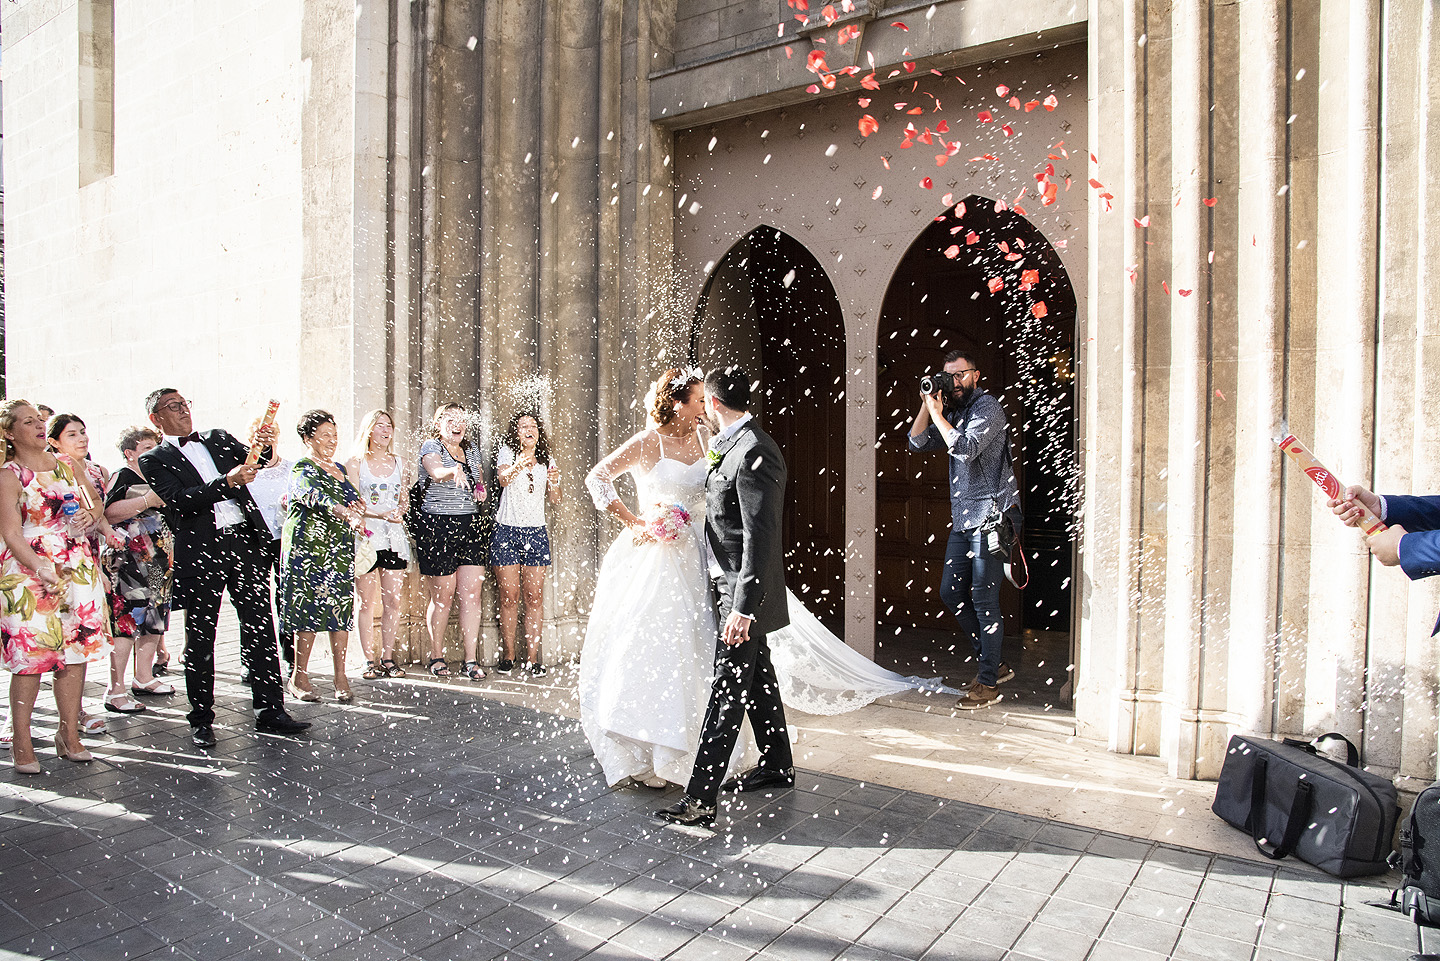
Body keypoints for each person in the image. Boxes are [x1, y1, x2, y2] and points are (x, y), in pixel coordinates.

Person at [658, 366, 795, 828]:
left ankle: (699, 801)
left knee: (726, 690)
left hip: (743, 593)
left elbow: (761, 536)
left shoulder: (755, 449)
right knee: (758, 678)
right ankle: (778, 764)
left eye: (704, 404)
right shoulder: (733, 443)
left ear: (714, 404)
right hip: (729, 584)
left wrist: (742, 608)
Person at [138, 388, 310, 747]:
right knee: (202, 636)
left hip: (245, 542)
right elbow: (181, 501)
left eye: (186, 402)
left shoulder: (216, 437)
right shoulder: (155, 459)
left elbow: (255, 463)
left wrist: (261, 445)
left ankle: (270, 710)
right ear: (156, 418)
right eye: (174, 406)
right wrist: (226, 482)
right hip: (203, 550)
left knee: (261, 626)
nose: (184, 409)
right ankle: (201, 718)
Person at [0, 400, 116, 772]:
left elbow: (96, 502)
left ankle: (69, 734)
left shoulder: (67, 465)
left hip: (75, 564)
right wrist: (40, 567)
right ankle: (22, 742)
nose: (38, 425)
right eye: (28, 421)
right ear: (8, 433)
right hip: (28, 571)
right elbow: (10, 533)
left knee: (75, 653)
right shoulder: (9, 474)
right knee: (31, 659)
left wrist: (90, 514)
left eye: (39, 420)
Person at [907, 349, 1021, 711]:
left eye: (960, 376)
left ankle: (988, 683)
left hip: (993, 516)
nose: (954, 383)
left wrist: (941, 416)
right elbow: (917, 441)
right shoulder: (952, 412)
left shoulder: (988, 408)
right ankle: (994, 664)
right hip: (965, 520)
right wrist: (928, 403)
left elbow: (966, 448)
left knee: (985, 601)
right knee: (951, 593)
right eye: (948, 377)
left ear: (976, 375)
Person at [280, 410, 365, 704]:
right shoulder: (301, 468)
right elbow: (317, 497)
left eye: (335, 434)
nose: (332, 440)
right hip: (308, 549)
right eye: (325, 435)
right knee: (307, 609)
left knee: (340, 609)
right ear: (308, 438)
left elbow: (349, 499)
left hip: (338, 548)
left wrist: (357, 504)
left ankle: (340, 676)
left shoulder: (339, 468)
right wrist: (343, 510)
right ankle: (299, 676)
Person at [46, 412, 120, 735]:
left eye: (83, 432)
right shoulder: (45, 470)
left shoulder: (92, 469)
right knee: (50, 640)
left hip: (83, 555)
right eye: (73, 434)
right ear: (54, 441)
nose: (82, 439)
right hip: (55, 556)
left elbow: (97, 508)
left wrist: (99, 523)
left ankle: (75, 712)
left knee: (79, 640)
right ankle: (20, 718)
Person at [101, 427, 176, 714]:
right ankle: (115, 688)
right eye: (146, 448)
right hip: (128, 562)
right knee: (126, 623)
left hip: (158, 563)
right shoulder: (123, 476)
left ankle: (143, 678)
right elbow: (107, 513)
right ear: (129, 453)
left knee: (154, 617)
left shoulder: (162, 476)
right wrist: (147, 500)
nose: (153, 452)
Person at [413, 403, 490, 680]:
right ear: (439, 424)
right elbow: (434, 471)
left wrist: (479, 490)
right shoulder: (431, 447)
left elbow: (478, 481)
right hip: (437, 526)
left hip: (469, 525)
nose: (457, 424)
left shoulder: (471, 450)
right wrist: (451, 471)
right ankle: (436, 655)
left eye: (461, 420)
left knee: (472, 595)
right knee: (443, 597)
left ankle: (470, 660)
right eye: (450, 419)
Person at [492, 411, 561, 677]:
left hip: (535, 532)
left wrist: (554, 483)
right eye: (523, 426)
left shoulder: (546, 459)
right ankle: (509, 655)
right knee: (509, 596)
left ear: (539, 432)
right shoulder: (508, 452)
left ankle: (533, 658)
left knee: (534, 596)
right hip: (507, 530)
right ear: (516, 432)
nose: (528, 430)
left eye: (533, 426)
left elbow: (555, 499)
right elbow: (502, 479)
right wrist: (521, 463)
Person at [345, 410, 410, 680]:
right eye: (380, 425)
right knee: (365, 602)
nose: (386, 430)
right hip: (367, 537)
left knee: (393, 599)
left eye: (389, 426)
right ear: (369, 430)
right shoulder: (355, 462)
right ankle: (367, 659)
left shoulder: (401, 463)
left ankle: (387, 657)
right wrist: (376, 515)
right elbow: (353, 504)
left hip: (394, 537)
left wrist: (400, 512)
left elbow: (404, 500)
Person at [244, 415, 297, 682]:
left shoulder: (291, 468)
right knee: (253, 600)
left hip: (283, 540)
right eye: (259, 437)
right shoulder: (245, 470)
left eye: (270, 435)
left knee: (284, 598)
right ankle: (249, 660)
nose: (266, 441)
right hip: (253, 540)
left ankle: (290, 658)